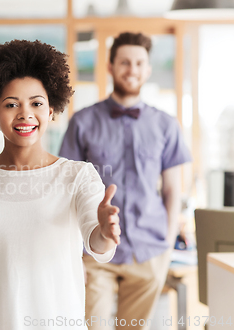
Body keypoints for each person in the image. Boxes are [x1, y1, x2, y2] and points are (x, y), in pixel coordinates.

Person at [0, 40, 121, 330]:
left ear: (51, 111)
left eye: (36, 103)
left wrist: (106, 231)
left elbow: (98, 245)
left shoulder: (79, 176)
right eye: (12, 104)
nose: (25, 114)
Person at [59, 32, 192, 330]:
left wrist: (168, 245)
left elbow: (172, 190)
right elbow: (66, 191)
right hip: (95, 251)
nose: (131, 69)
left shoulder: (166, 125)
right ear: (110, 66)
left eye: (138, 63)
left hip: (148, 249)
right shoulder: (82, 122)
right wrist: (72, 255)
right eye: (124, 62)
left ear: (147, 69)